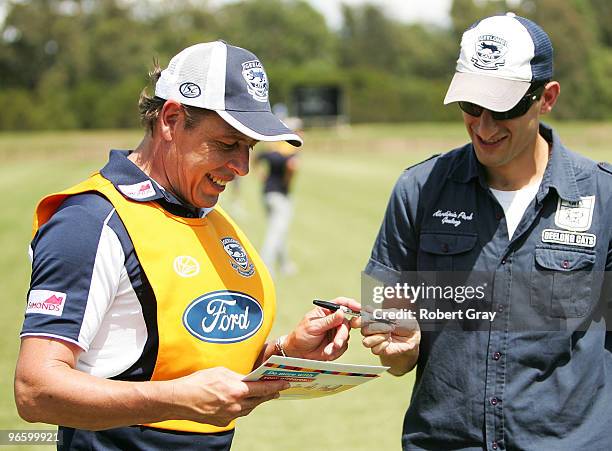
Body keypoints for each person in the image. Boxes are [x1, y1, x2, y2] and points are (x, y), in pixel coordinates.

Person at [14, 41, 359, 451]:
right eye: (228, 143)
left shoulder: (213, 220)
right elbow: (35, 389)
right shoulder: (90, 222)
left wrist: (287, 352)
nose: (242, 167)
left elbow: (199, 370)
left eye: (249, 148)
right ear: (172, 120)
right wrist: (176, 400)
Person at [360, 13, 612, 450]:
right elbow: (389, 331)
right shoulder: (416, 190)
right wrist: (395, 348)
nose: (485, 126)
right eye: (471, 106)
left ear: (547, 97)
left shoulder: (605, 196)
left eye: (505, 108)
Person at [256, 117, 302, 276]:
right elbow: (292, 166)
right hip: (281, 195)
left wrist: (260, 174)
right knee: (275, 233)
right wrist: (286, 182)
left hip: (267, 194)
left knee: (278, 230)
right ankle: (266, 267)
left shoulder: (273, 148)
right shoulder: (291, 150)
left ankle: (284, 265)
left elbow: (257, 158)